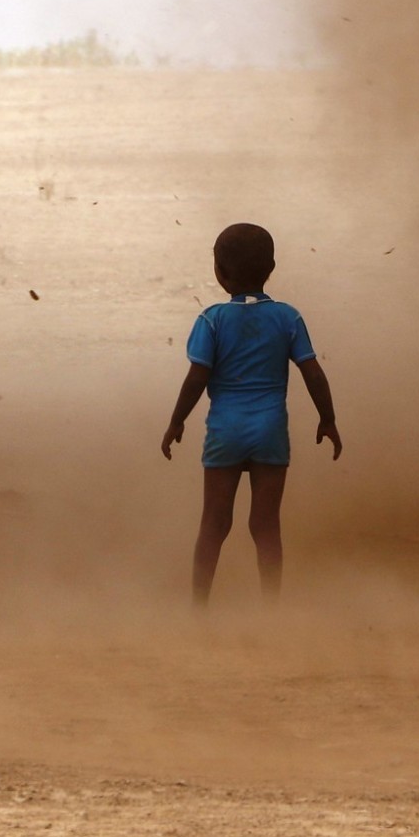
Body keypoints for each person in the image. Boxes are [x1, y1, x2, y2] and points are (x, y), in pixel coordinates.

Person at [161, 223, 340, 606]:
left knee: (214, 524)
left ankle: (198, 609)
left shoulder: (211, 320)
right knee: (265, 526)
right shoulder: (288, 318)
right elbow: (312, 371)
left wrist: (177, 421)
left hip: (226, 431)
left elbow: (197, 377)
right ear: (271, 267)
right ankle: (271, 609)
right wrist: (328, 418)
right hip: (270, 430)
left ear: (219, 272)